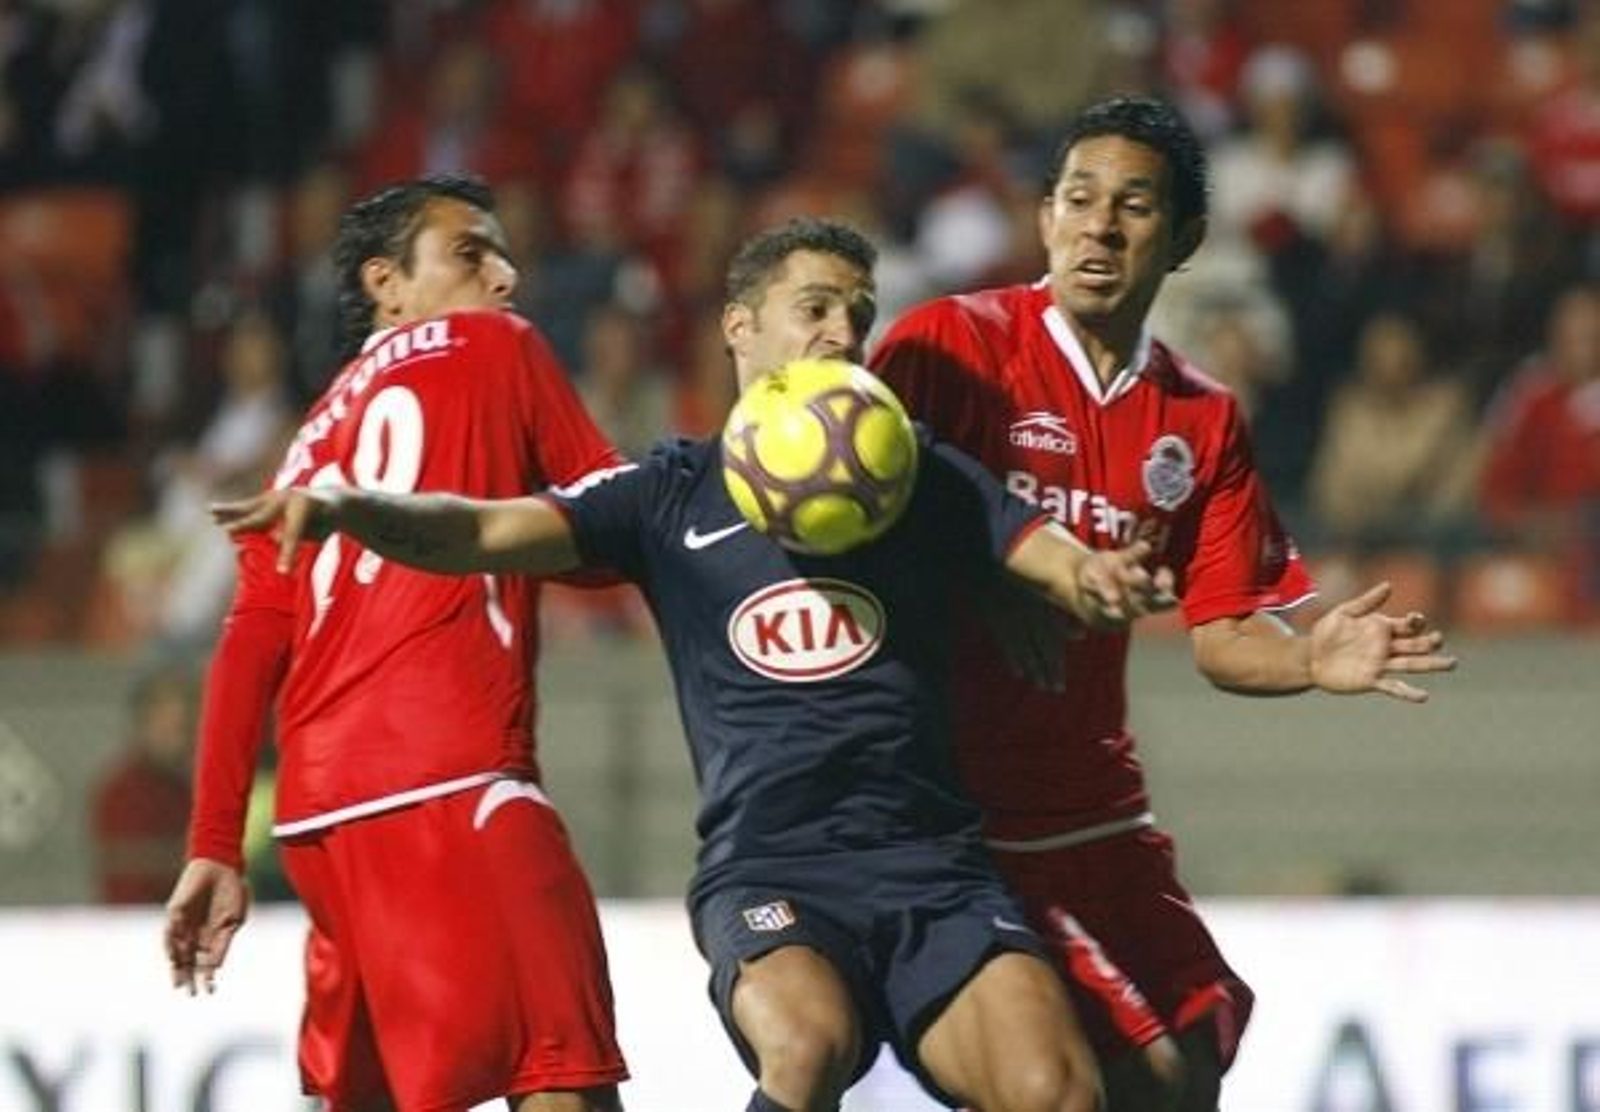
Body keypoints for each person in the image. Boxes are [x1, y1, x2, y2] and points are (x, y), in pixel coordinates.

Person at [214, 217, 1181, 1112]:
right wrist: (353, 507)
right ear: (740, 327)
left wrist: (1098, 576)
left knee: (1060, 1091)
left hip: (935, 870)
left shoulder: (919, 473)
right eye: (815, 307)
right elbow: (481, 530)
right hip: (773, 873)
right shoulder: (668, 494)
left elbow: (1048, 554)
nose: (843, 333)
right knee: (806, 1047)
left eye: (859, 313)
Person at [869, 97, 1458, 1111]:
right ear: (1044, 215)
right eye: (1078, 199)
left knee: (1186, 1066)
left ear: (1183, 239)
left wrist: (1308, 657)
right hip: (951, 811)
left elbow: (1224, 633)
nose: (1099, 227)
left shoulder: (1201, 417)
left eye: (1133, 206)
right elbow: (858, 527)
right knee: (1064, 1088)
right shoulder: (948, 347)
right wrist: (994, 575)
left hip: (1093, 812)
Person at [161, 175, 630, 1112]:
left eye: (503, 256)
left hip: (320, 822)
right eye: (469, 253)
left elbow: (252, 639)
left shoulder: (308, 442)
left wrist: (213, 842)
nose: (504, 277)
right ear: (387, 283)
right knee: (561, 1078)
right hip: (453, 775)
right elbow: (616, 522)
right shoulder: (497, 343)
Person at [90, 666, 199, 904]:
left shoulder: (197, 787)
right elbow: (128, 876)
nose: (174, 738)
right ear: (142, 726)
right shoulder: (121, 792)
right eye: (164, 726)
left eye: (181, 726)